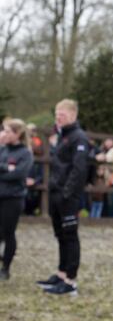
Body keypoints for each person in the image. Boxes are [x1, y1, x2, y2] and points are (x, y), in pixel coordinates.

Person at [37, 99, 90, 295]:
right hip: (56, 194)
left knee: (70, 237)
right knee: (60, 236)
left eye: (63, 114)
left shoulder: (79, 138)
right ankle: (61, 274)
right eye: (57, 114)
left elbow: (79, 169)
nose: (59, 117)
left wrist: (67, 193)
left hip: (68, 197)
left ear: (73, 115)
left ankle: (70, 281)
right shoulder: (61, 136)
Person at [0, 119, 34, 280]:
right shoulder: (2, 150)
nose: (4, 134)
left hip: (13, 199)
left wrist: (4, 172)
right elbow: (10, 172)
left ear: (17, 134)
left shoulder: (25, 153)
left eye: (7, 131)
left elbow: (19, 174)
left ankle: (6, 268)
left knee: (8, 232)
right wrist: (6, 168)